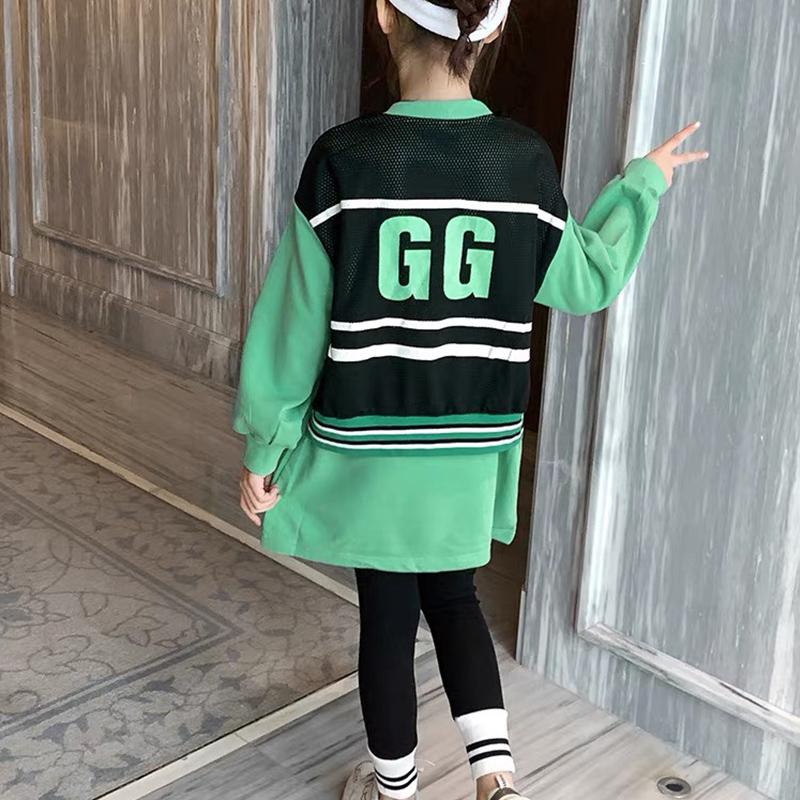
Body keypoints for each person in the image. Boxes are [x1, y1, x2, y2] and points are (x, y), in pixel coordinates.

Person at [232, 1, 708, 798]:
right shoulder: (521, 163)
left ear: (384, 15)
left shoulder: (344, 161)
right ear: (488, 31)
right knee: (454, 597)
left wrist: (265, 446)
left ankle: (395, 790)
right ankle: (497, 781)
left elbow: (292, 328)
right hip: (471, 450)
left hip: (369, 453)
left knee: (388, 618)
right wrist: (641, 184)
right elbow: (587, 280)